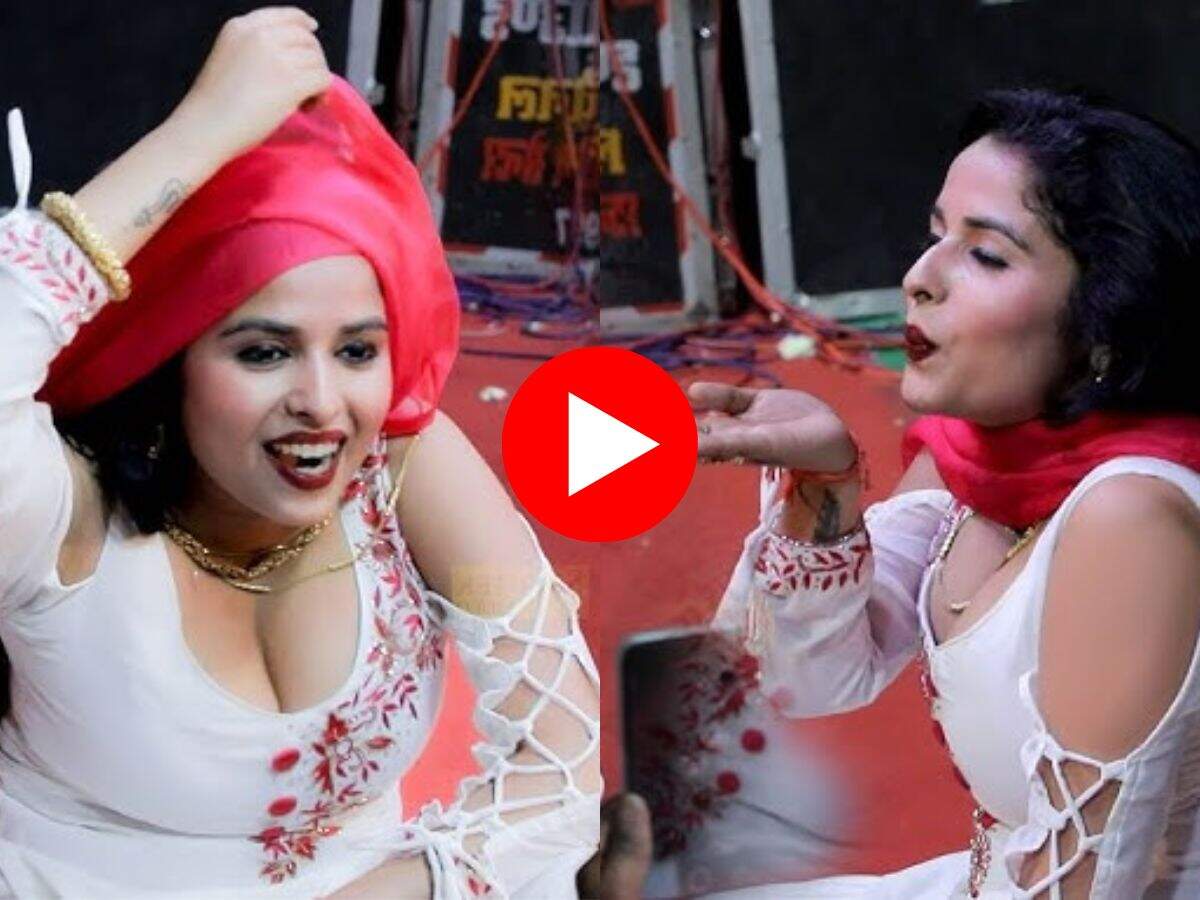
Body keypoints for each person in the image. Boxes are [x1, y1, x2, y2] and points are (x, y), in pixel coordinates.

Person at [0, 8, 599, 897]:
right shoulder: (67, 514)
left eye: (356, 351)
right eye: (263, 353)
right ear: (171, 360)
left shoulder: (404, 469)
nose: (322, 403)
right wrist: (199, 135)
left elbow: (559, 778)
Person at [612, 87, 1200, 898]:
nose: (919, 279)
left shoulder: (1131, 518)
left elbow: (1086, 887)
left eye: (985, 256)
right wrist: (825, 484)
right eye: (934, 236)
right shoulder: (981, 457)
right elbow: (797, 679)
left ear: (1106, 319)